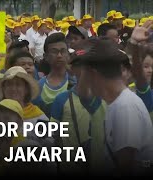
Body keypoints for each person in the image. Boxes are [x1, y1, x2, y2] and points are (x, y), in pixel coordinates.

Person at [78, 36, 153, 175]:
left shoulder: (125, 107)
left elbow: (125, 165)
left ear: (94, 74)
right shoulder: (118, 104)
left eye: (85, 75)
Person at [51, 41, 106, 174]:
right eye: (79, 65)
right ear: (72, 69)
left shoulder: (107, 97)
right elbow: (53, 135)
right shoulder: (61, 99)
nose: (84, 70)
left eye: (87, 65)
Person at [33, 33, 71, 118]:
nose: (59, 55)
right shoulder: (38, 87)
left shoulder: (76, 82)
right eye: (54, 51)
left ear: (68, 54)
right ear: (45, 56)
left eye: (63, 51)